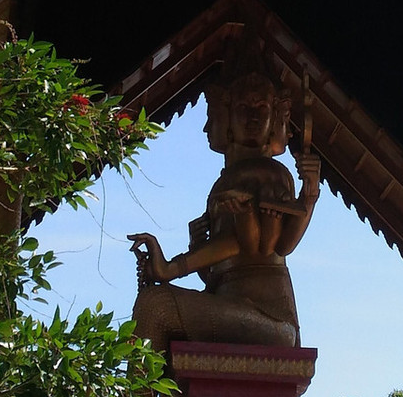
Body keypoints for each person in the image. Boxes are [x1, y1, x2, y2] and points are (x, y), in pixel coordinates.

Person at [128, 66, 320, 353]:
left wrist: (174, 267)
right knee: (158, 312)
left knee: (155, 306)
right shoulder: (227, 180)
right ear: (226, 116)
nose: (253, 117)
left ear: (275, 118)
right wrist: (198, 246)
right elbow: (220, 274)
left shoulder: (269, 172)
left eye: (262, 108)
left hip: (267, 317)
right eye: (243, 107)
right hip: (238, 307)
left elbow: (269, 247)